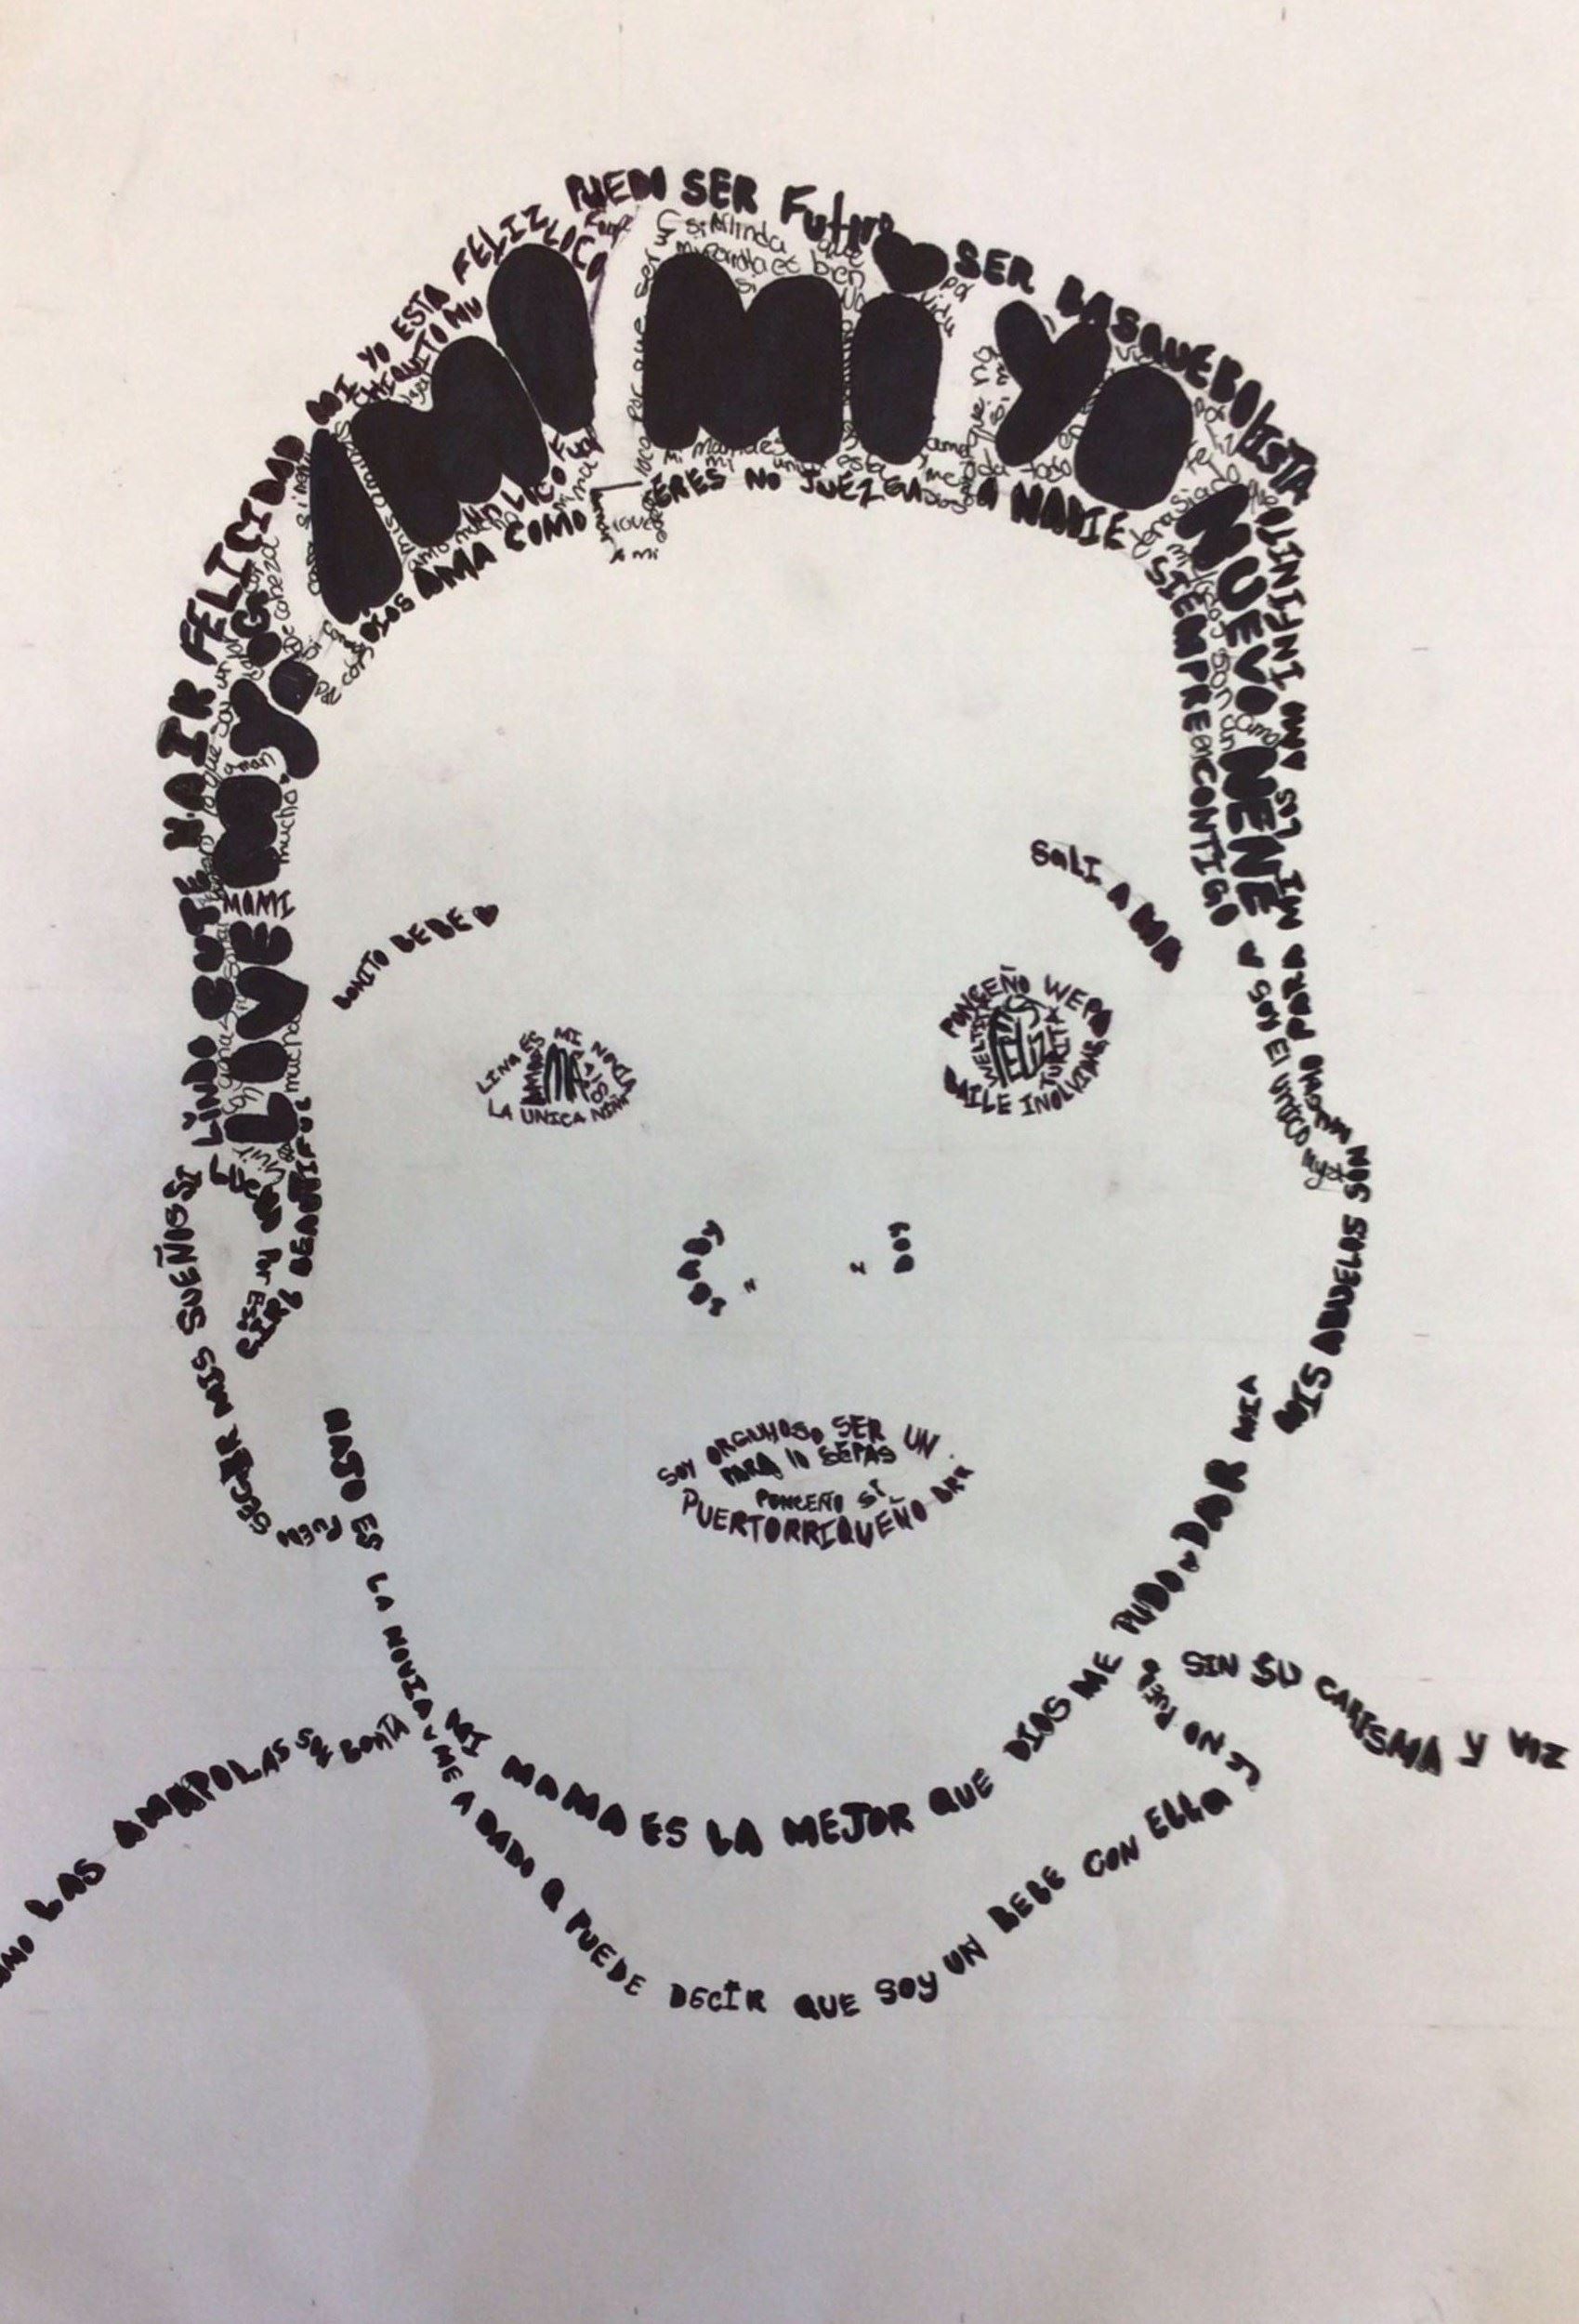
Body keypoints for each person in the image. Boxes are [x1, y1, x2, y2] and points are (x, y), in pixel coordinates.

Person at [139, 165, 1367, 2009]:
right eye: (551, 1072)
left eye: (1019, 1042)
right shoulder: (108, 2029)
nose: (806, 1239)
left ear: (1301, 1203)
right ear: (255, 1303)